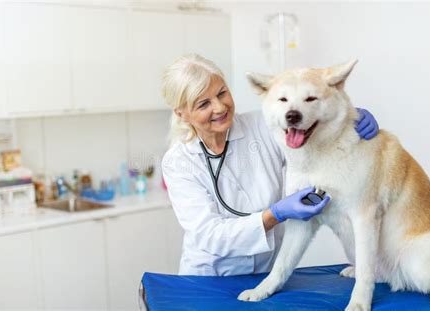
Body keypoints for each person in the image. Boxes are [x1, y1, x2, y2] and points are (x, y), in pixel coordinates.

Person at [161, 54, 379, 276]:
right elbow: (210, 235)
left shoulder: (265, 125)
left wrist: (353, 118)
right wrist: (276, 214)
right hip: (210, 277)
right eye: (204, 103)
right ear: (182, 114)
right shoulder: (178, 162)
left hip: (265, 270)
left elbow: (319, 131)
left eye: (221, 93)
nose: (219, 107)